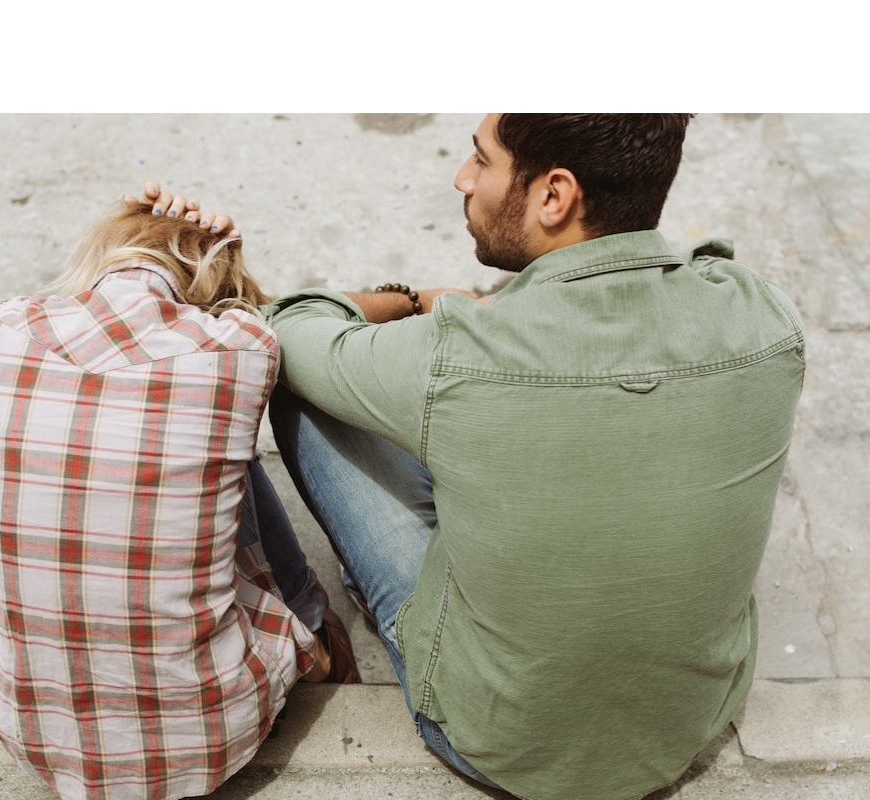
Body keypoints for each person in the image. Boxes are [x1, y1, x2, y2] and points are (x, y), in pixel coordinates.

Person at [142, 112, 806, 800]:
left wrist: (414, 301)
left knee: (308, 393)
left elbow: (286, 326)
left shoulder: (458, 351)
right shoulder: (766, 317)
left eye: (482, 160)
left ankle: (333, 620)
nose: (463, 179)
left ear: (554, 195)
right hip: (685, 730)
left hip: (492, 743)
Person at [0, 199, 359, 800]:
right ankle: (320, 636)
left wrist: (133, 222)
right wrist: (220, 255)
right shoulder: (241, 348)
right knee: (218, 455)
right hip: (210, 739)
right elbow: (257, 318)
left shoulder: (4, 329)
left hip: (31, 736)